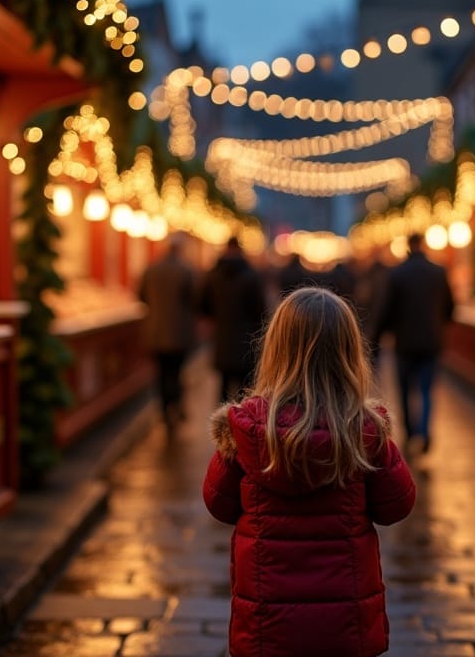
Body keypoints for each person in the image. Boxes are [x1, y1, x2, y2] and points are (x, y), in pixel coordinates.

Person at [203, 287, 416, 657]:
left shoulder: (246, 429)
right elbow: (397, 505)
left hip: (267, 625)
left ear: (275, 350)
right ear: (349, 353)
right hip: (345, 625)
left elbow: (218, 504)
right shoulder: (365, 430)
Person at [378, 233, 454, 452]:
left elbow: (388, 309)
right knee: (427, 390)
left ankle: (410, 432)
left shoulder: (397, 273)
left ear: (408, 246)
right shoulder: (438, 272)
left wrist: (380, 334)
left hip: (404, 342)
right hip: (432, 341)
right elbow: (450, 307)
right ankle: (424, 430)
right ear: (423, 245)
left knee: (404, 390)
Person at [199, 237, 267, 404]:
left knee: (223, 385)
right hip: (246, 340)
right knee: (245, 389)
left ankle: (222, 424)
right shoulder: (251, 276)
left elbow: (202, 305)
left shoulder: (213, 275)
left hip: (222, 338)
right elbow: (261, 311)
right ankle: (242, 426)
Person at [138, 233, 196, 425]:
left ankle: (163, 408)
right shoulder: (186, 270)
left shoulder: (150, 269)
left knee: (161, 372)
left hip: (155, 331)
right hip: (179, 331)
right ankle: (176, 405)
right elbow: (193, 300)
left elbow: (141, 296)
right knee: (177, 371)